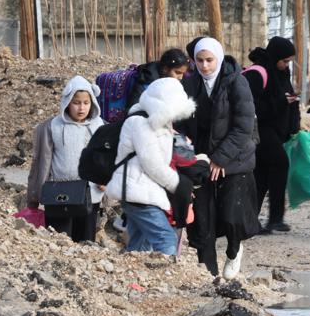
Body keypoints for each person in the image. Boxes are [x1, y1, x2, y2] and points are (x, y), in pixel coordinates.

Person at [177, 37, 260, 279]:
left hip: (235, 159)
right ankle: (209, 275)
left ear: (219, 58)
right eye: (200, 61)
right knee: (201, 220)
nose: (204, 66)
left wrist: (220, 159)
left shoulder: (237, 83)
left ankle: (234, 249)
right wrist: (188, 151)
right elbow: (181, 121)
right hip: (201, 159)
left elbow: (243, 127)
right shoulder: (190, 85)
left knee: (232, 214)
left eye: (209, 60)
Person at [107, 78, 199, 256]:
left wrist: (181, 144)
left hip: (142, 191)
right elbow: (153, 163)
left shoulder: (159, 123)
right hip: (138, 192)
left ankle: (134, 280)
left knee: (139, 244)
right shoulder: (141, 123)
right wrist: (177, 185)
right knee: (166, 239)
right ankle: (167, 278)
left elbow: (178, 159)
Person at [26, 76, 106, 242]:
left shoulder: (100, 127)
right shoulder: (51, 127)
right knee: (60, 240)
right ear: (67, 101)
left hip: (90, 194)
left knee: (85, 241)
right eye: (76, 102)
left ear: (93, 103)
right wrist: (34, 197)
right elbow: (41, 163)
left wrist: (106, 180)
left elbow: (105, 159)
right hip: (59, 195)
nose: (81, 108)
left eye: (86, 102)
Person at [245, 37, 301, 233]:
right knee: (280, 164)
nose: (287, 65)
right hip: (259, 131)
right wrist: (281, 102)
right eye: (284, 61)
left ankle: (252, 220)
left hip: (275, 132)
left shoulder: (281, 73)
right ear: (276, 56)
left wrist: (294, 125)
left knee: (261, 176)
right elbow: (252, 107)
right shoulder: (258, 73)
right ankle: (274, 218)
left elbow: (286, 99)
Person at [127, 48, 191, 109]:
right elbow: (134, 108)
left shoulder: (176, 81)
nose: (181, 77)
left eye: (183, 73)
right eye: (177, 72)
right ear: (165, 69)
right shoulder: (147, 80)